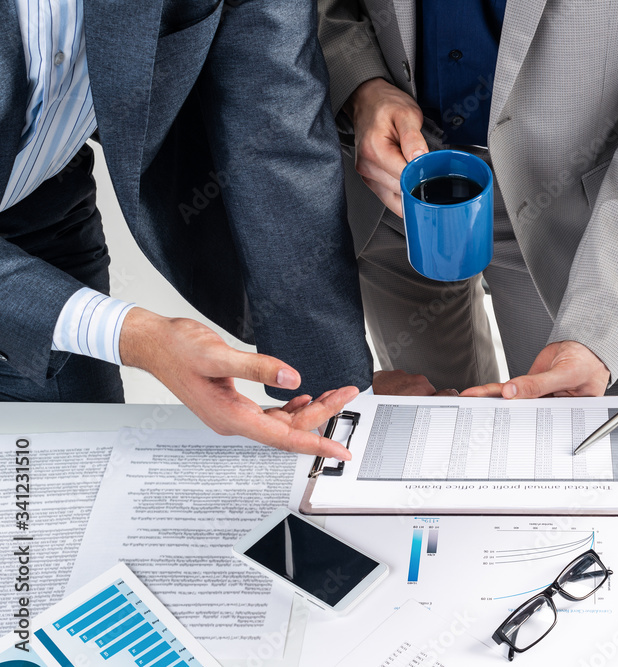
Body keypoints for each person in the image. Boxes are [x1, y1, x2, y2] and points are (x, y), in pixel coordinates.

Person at [316, 0, 618, 399]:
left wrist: (600, 334)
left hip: (575, 212)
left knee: (574, 442)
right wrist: (360, 84)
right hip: (384, 183)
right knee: (431, 436)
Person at [0, 0, 374, 458]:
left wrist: (335, 394)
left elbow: (275, 116)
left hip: (40, 207)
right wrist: (137, 336)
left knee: (77, 470)